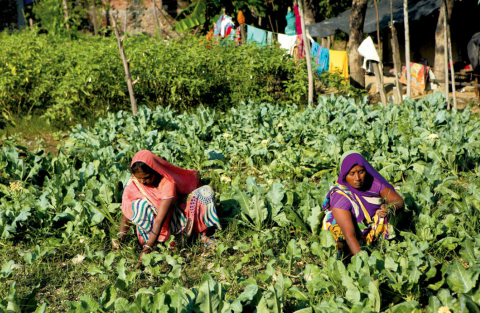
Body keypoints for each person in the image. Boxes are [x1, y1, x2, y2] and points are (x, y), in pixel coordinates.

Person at [114, 150, 221, 260]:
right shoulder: (134, 183)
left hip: (176, 220)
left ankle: (197, 236)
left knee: (206, 192)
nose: (142, 181)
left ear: (155, 171)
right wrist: (121, 237)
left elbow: (160, 219)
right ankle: (155, 244)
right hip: (153, 228)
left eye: (146, 178)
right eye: (139, 178)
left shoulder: (167, 183)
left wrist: (147, 247)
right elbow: (127, 212)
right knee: (139, 205)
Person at [322, 151, 404, 256]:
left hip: (368, 227)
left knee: (384, 216)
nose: (358, 178)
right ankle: (348, 255)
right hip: (348, 233)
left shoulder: (372, 183)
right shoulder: (340, 196)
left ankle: (383, 244)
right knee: (339, 233)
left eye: (361, 172)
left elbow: (399, 201)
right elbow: (349, 236)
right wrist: (362, 262)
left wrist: (389, 208)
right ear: (344, 174)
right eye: (352, 174)